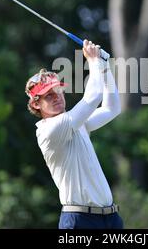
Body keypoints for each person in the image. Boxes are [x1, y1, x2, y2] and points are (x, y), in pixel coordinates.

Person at [25, 40, 123, 229]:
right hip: (80, 221)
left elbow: (112, 108)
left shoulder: (76, 124)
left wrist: (104, 68)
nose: (57, 97)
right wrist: (93, 60)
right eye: (48, 96)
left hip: (110, 219)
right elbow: (93, 97)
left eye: (58, 91)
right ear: (36, 104)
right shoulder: (50, 129)